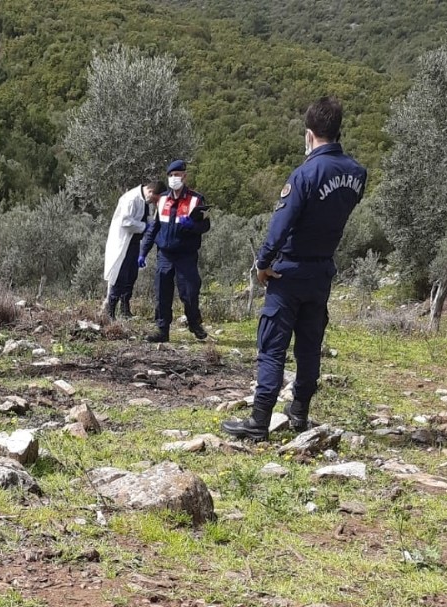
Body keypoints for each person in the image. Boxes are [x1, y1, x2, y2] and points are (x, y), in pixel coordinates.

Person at [222, 97, 368, 442]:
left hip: (288, 271)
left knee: (273, 345)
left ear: (309, 134)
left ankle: (259, 421)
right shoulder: (357, 174)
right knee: (309, 345)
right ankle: (299, 412)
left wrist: (262, 263)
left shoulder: (305, 174)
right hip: (322, 272)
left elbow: (281, 224)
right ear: (337, 129)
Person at [138, 160, 211, 343]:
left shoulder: (196, 199)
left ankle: (194, 324)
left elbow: (205, 225)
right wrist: (143, 252)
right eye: (170, 175)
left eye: (177, 175)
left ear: (184, 176)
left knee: (189, 292)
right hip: (165, 254)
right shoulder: (162, 199)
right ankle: (162, 330)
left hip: (186, 255)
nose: (173, 178)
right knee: (162, 292)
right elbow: (154, 228)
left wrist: (193, 225)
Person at [103, 180, 163, 319]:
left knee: (131, 276)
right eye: (154, 199)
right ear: (150, 192)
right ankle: (110, 312)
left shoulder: (145, 201)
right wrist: (144, 227)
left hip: (135, 243)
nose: (154, 202)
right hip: (123, 243)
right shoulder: (131, 199)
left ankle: (125, 310)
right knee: (120, 277)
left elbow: (146, 218)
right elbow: (125, 222)